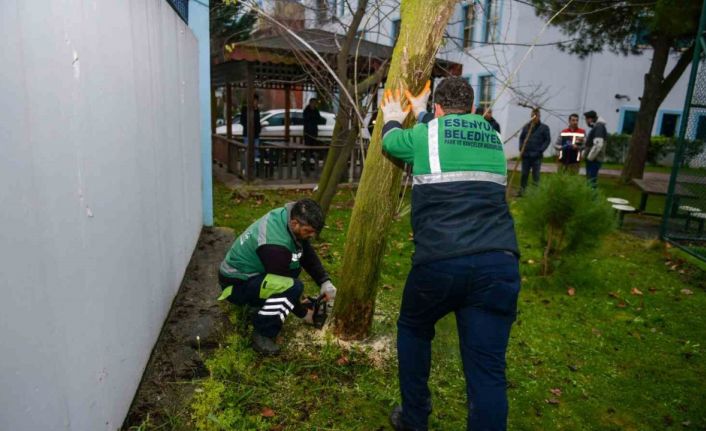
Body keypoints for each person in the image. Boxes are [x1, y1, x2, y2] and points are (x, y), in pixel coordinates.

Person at [381, 77, 520, 431]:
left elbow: (392, 142)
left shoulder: (426, 135)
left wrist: (395, 115)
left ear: (439, 109)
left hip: (440, 262)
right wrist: (426, 110)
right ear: (473, 108)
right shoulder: (492, 136)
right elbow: (447, 134)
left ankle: (414, 419)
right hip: (498, 262)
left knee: (413, 328)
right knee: (487, 368)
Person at [217, 199, 337, 355]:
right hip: (236, 285)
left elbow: (305, 251)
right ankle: (263, 332)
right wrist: (304, 314)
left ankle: (260, 305)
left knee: (291, 281)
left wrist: (324, 281)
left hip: (252, 275)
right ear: (294, 223)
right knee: (293, 287)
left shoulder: (286, 217)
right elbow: (284, 285)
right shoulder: (275, 245)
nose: (312, 236)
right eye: (309, 231)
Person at [518, 108, 551, 195]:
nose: (534, 118)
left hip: (537, 156)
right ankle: (522, 191)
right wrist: (521, 148)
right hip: (526, 155)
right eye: (532, 116)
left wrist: (541, 150)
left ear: (539, 116)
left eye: (536, 116)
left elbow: (547, 140)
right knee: (524, 174)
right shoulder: (526, 127)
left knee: (536, 175)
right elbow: (521, 138)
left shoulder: (544, 128)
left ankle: (535, 193)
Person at [583, 110, 608, 188]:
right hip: (594, 159)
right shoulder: (597, 126)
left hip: (594, 160)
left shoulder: (599, 127)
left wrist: (590, 158)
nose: (586, 122)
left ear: (590, 119)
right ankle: (589, 196)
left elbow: (598, 145)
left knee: (591, 181)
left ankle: (592, 198)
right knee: (590, 180)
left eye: (586, 119)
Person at [240, 94, 262, 160]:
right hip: (247, 134)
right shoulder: (245, 109)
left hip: (256, 135)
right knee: (248, 152)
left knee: (256, 153)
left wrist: (258, 128)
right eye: (254, 101)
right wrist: (249, 126)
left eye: (256, 101)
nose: (255, 103)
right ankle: (247, 169)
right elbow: (242, 121)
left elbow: (257, 121)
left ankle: (255, 168)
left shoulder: (257, 110)